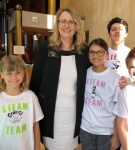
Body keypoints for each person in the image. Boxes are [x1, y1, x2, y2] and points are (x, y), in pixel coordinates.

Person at [29, 7, 89, 150]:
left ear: (76, 26)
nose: (66, 25)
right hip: (49, 113)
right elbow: (35, 82)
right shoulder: (45, 48)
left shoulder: (83, 51)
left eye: (71, 22)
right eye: (63, 21)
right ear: (57, 25)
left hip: (73, 114)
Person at [80, 38, 121, 150]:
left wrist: (116, 137)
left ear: (106, 55)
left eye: (100, 52)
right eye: (92, 52)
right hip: (86, 129)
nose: (95, 56)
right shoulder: (84, 73)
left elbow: (119, 111)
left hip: (106, 132)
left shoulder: (115, 78)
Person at [0, 55, 44, 150]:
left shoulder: (31, 97)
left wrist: (37, 148)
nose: (14, 77)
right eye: (9, 73)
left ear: (24, 72)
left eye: (18, 72)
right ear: (2, 74)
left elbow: (36, 126)